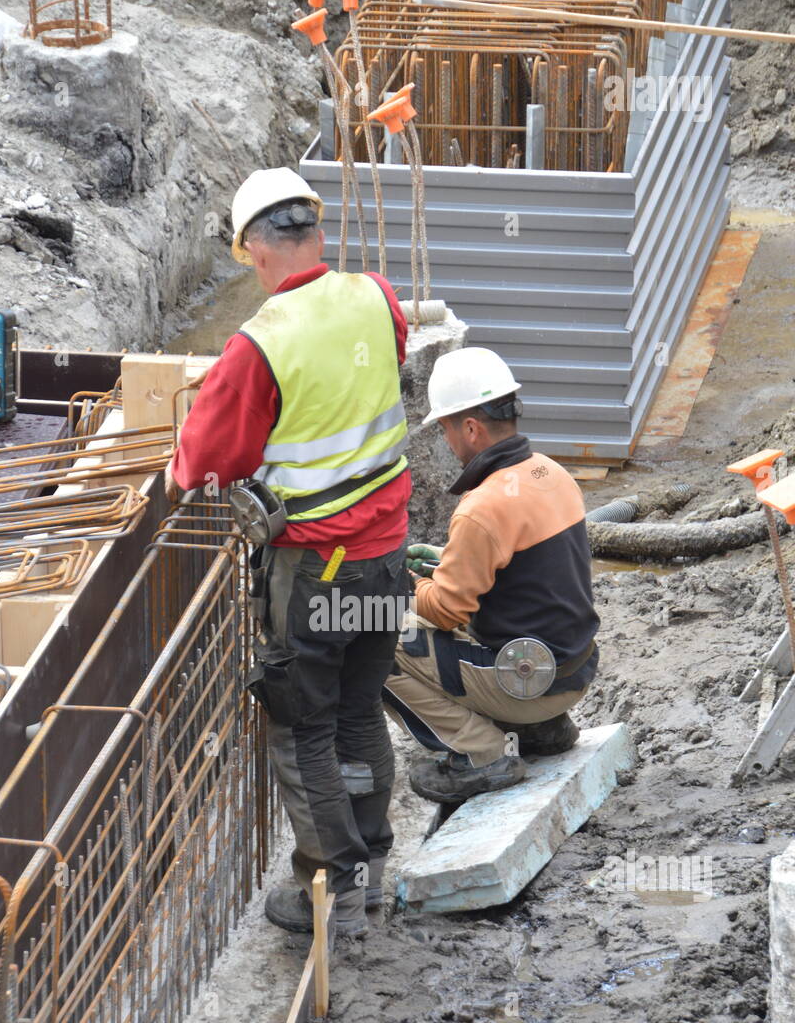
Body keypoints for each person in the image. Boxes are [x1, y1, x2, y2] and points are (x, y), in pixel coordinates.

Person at [166, 167, 410, 936]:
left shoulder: (258, 345)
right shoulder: (376, 296)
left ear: (253, 249)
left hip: (316, 571)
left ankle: (328, 889)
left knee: (302, 726)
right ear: (316, 231)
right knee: (359, 708)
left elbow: (201, 467)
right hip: (388, 556)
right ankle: (369, 865)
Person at [383, 346, 600, 804]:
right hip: (571, 672)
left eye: (445, 430)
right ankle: (541, 730)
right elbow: (533, 572)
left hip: (526, 682)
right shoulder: (551, 472)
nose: (448, 442)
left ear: (471, 428)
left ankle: (481, 754)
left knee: (373, 636)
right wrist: (448, 559)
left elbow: (445, 611)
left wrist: (408, 585)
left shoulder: (482, 507)